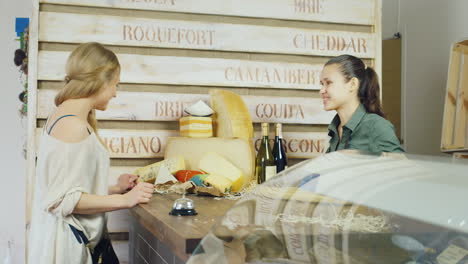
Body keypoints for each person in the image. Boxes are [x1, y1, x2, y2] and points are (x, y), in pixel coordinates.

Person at [28, 42, 154, 264]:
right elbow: (61, 201)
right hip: (69, 249)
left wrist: (115, 188)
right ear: (99, 81)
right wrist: (124, 199)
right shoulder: (72, 126)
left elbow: (67, 186)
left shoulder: (64, 116)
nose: (115, 93)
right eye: (115, 84)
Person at [319, 55, 404, 153]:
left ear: (353, 84)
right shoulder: (335, 129)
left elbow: (401, 167)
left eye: (328, 82)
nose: (321, 91)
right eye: (322, 84)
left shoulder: (376, 126)